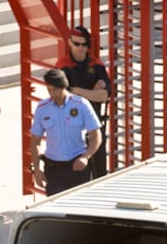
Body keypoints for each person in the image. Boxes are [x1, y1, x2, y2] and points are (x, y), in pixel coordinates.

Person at [30, 68, 102, 197]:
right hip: (54, 169)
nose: (52, 94)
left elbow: (96, 135)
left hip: (77, 165)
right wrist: (37, 169)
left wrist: (86, 157)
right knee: (56, 210)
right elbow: (35, 141)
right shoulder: (42, 108)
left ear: (64, 87)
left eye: (55, 90)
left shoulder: (81, 104)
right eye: (49, 90)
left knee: (80, 208)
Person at [56, 26, 111, 179]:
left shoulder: (97, 65)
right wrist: (92, 92)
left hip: (95, 127)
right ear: (70, 43)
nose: (80, 48)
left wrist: (77, 91)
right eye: (76, 44)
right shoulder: (62, 67)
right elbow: (62, 97)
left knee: (100, 174)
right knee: (75, 176)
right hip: (71, 129)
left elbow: (105, 95)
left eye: (84, 44)